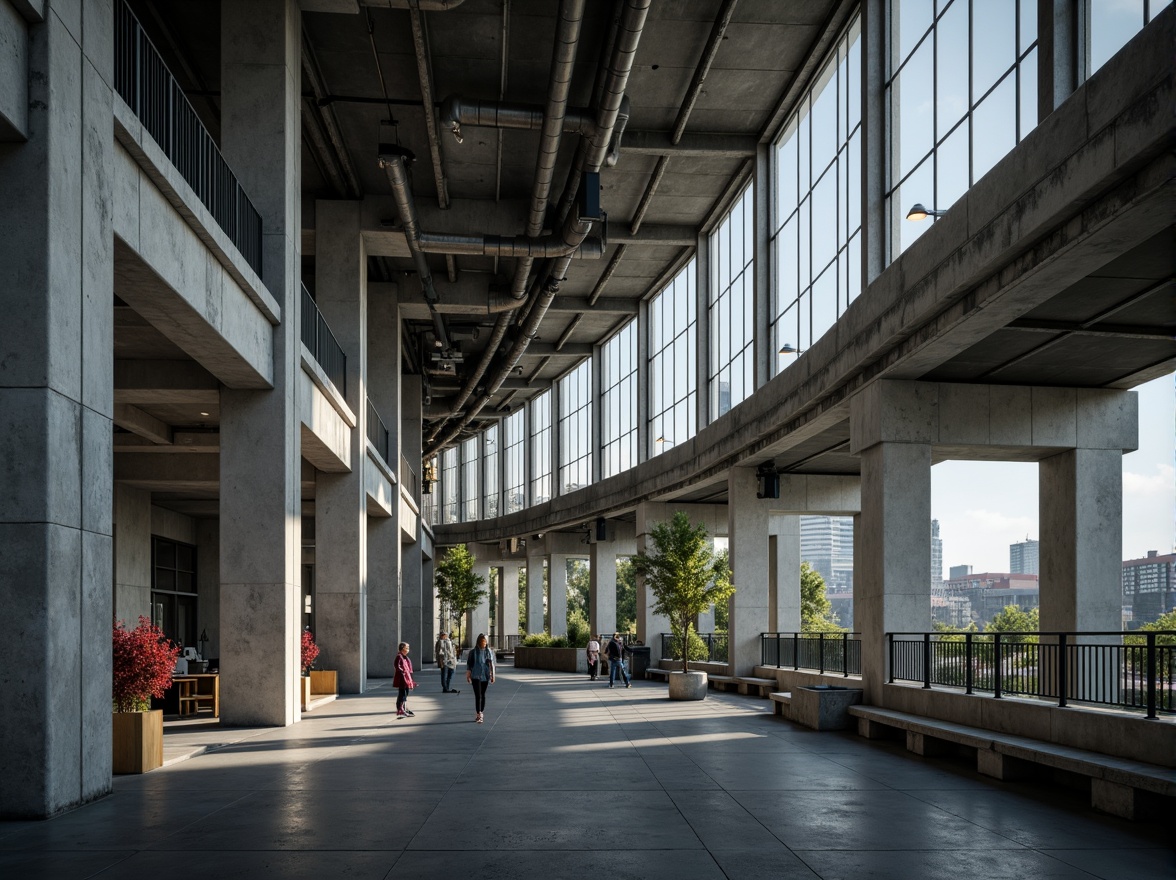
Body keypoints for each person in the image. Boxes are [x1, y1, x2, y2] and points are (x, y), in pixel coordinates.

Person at [465, 632, 495, 723]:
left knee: (483, 695)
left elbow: (491, 664)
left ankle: (481, 711)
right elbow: (469, 665)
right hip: (475, 675)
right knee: (478, 695)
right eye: (482, 641)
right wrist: (468, 675)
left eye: (485, 641)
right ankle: (479, 714)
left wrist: (493, 675)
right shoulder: (473, 652)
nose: (484, 643)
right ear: (478, 642)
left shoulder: (488, 651)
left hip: (485, 676)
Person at [393, 642, 416, 718]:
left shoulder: (405, 657)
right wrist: (402, 672)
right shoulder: (399, 656)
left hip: (406, 678)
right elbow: (397, 666)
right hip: (402, 678)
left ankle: (403, 708)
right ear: (402, 649)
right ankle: (401, 709)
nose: (408, 649)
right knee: (402, 694)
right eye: (407, 648)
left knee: (405, 693)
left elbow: (409, 668)